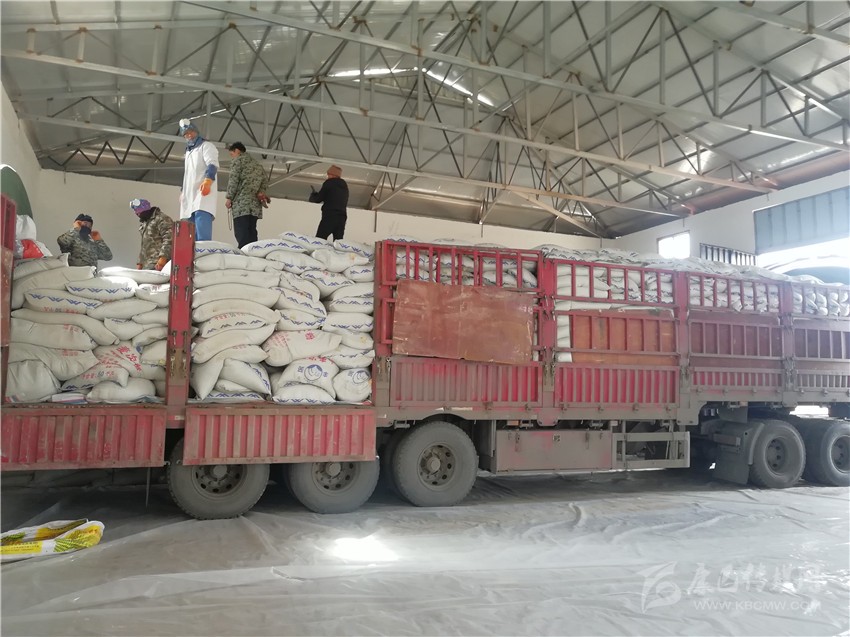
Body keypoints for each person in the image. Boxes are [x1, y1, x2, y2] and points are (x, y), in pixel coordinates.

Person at [178, 118, 219, 241]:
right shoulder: (188, 152)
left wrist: (208, 180)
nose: (189, 135)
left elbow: (212, 164)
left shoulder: (206, 146)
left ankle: (204, 250)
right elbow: (188, 174)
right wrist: (183, 191)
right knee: (189, 233)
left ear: (196, 131)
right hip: (189, 195)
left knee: (202, 227)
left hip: (202, 192)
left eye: (190, 132)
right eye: (186, 134)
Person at [224, 142, 270, 248]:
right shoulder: (257, 165)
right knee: (252, 232)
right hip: (254, 206)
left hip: (241, 205)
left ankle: (243, 253)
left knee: (242, 233)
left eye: (232, 154)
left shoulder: (238, 161)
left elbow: (233, 180)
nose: (232, 157)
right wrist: (260, 192)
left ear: (237, 151)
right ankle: (253, 252)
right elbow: (265, 182)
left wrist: (229, 198)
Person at [131, 198, 174, 270]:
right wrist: (140, 262)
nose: (137, 214)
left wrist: (163, 258)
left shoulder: (161, 218)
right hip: (147, 264)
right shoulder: (145, 222)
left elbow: (169, 239)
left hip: (158, 263)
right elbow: (144, 244)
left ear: (145, 210)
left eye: (138, 212)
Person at [308, 165, 349, 241]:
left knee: (319, 240)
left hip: (330, 217)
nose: (327, 176)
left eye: (328, 174)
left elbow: (318, 199)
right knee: (338, 243)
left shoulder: (329, 183)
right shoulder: (344, 186)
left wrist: (313, 195)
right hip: (342, 218)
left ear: (333, 175)